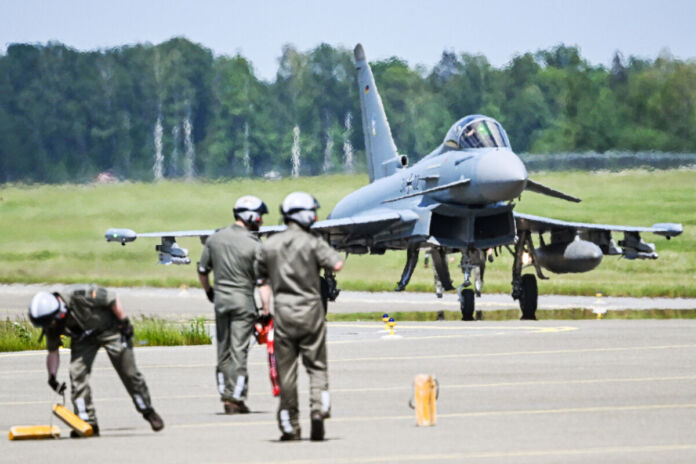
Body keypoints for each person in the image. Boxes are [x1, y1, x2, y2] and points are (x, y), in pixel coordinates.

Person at [256, 192, 343, 441]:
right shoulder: (313, 242)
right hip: (312, 312)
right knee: (316, 367)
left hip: (283, 314)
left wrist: (265, 311)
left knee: (287, 372)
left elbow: (261, 279)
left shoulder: (270, 244)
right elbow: (336, 264)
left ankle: (290, 426)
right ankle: (318, 410)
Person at [28, 285, 164, 437]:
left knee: (129, 373)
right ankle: (86, 422)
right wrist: (52, 377)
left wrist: (124, 322)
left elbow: (112, 298)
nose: (49, 326)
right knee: (76, 374)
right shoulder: (52, 323)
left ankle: (147, 411)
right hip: (83, 339)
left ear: (59, 312)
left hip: (110, 330)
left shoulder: (80, 295)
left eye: (49, 323)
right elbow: (53, 352)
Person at [198, 195, 268, 414]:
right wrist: (266, 310)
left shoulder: (215, 239)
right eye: (260, 216)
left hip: (220, 302)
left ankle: (225, 394)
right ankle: (235, 398)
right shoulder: (254, 244)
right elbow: (262, 282)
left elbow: (202, 271)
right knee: (239, 351)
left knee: (223, 351)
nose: (262, 221)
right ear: (250, 216)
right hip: (243, 305)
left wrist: (210, 291)